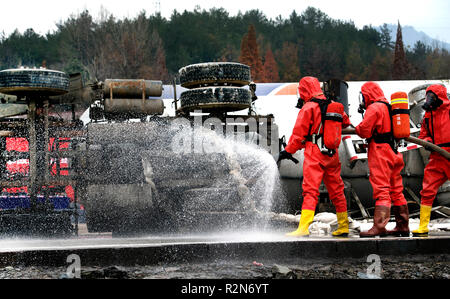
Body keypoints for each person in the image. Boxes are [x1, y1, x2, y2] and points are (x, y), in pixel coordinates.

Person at [278, 76, 350, 237]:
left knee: (310, 191)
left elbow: (298, 134)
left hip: (315, 153)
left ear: (304, 90)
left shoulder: (308, 108)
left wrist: (288, 151)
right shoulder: (334, 105)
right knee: (337, 191)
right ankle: (344, 226)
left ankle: (303, 228)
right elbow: (345, 122)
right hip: (332, 153)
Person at [355, 82, 409, 238]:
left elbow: (364, 130)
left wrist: (358, 128)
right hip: (394, 151)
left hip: (380, 152)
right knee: (396, 189)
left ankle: (379, 226)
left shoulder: (374, 108)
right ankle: (402, 225)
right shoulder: (390, 107)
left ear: (367, 95)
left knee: (382, 189)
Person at [412, 84, 450, 236]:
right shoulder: (428, 115)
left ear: (439, 97)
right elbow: (422, 136)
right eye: (428, 96)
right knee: (427, 191)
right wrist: (428, 142)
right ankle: (423, 226)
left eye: (432, 96)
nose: (429, 99)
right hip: (437, 157)